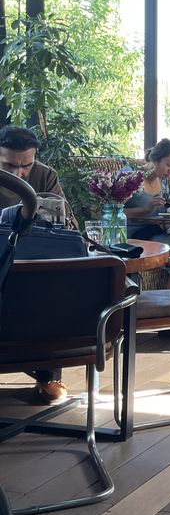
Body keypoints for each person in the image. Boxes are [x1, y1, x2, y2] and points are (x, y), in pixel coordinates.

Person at [0, 126, 68, 402]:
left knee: (52, 287)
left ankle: (48, 374)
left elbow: (63, 224)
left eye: (26, 165)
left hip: (33, 256)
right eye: (8, 166)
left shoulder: (45, 175)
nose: (18, 173)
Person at [123, 139, 170, 247]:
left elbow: (151, 204)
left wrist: (167, 202)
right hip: (132, 238)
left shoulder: (162, 181)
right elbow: (112, 212)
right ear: (155, 160)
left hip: (154, 233)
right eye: (168, 165)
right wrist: (145, 209)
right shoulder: (131, 178)